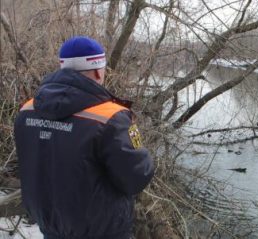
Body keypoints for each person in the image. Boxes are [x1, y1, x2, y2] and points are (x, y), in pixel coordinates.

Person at [14, 36, 155, 239]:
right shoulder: (111, 117)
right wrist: (142, 154)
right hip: (101, 232)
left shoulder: (26, 111)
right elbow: (136, 177)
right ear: (98, 70)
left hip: (50, 226)